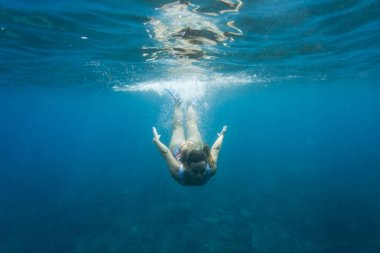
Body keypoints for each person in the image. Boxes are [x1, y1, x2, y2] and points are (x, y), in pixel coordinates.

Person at [152, 99, 227, 186]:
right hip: (187, 146)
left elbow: (166, 153)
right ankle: (185, 104)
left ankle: (182, 103)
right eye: (195, 171)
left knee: (180, 127)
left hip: (179, 148)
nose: (200, 175)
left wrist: (156, 141)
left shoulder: (178, 173)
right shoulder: (178, 172)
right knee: (188, 125)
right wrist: (222, 135)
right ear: (187, 166)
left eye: (202, 171)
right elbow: (215, 149)